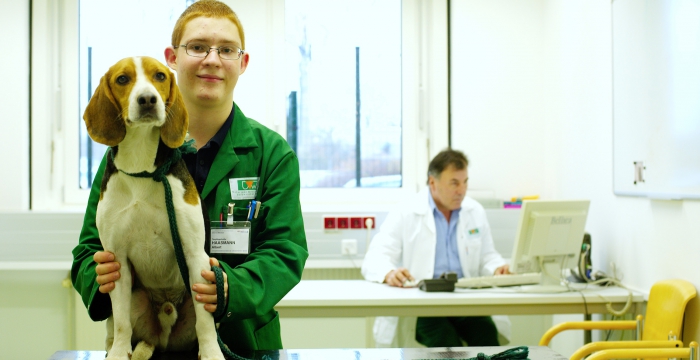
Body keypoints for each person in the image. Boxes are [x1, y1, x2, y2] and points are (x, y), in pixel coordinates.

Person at [71, 0, 308, 353]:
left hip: (239, 343)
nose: (212, 59)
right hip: (145, 342)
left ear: (242, 63)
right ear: (173, 57)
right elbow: (87, 252)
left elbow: (285, 253)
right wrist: (98, 277)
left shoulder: (272, 153)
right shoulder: (123, 158)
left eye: (226, 50)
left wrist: (230, 288)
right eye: (197, 47)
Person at [361, 148, 510, 348]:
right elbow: (376, 258)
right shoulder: (406, 211)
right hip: (426, 303)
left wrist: (497, 268)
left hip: (464, 300)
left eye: (465, 182)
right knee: (446, 346)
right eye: (454, 183)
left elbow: (487, 256)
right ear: (433, 183)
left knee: (487, 338)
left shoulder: (474, 211)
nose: (462, 191)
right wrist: (389, 272)